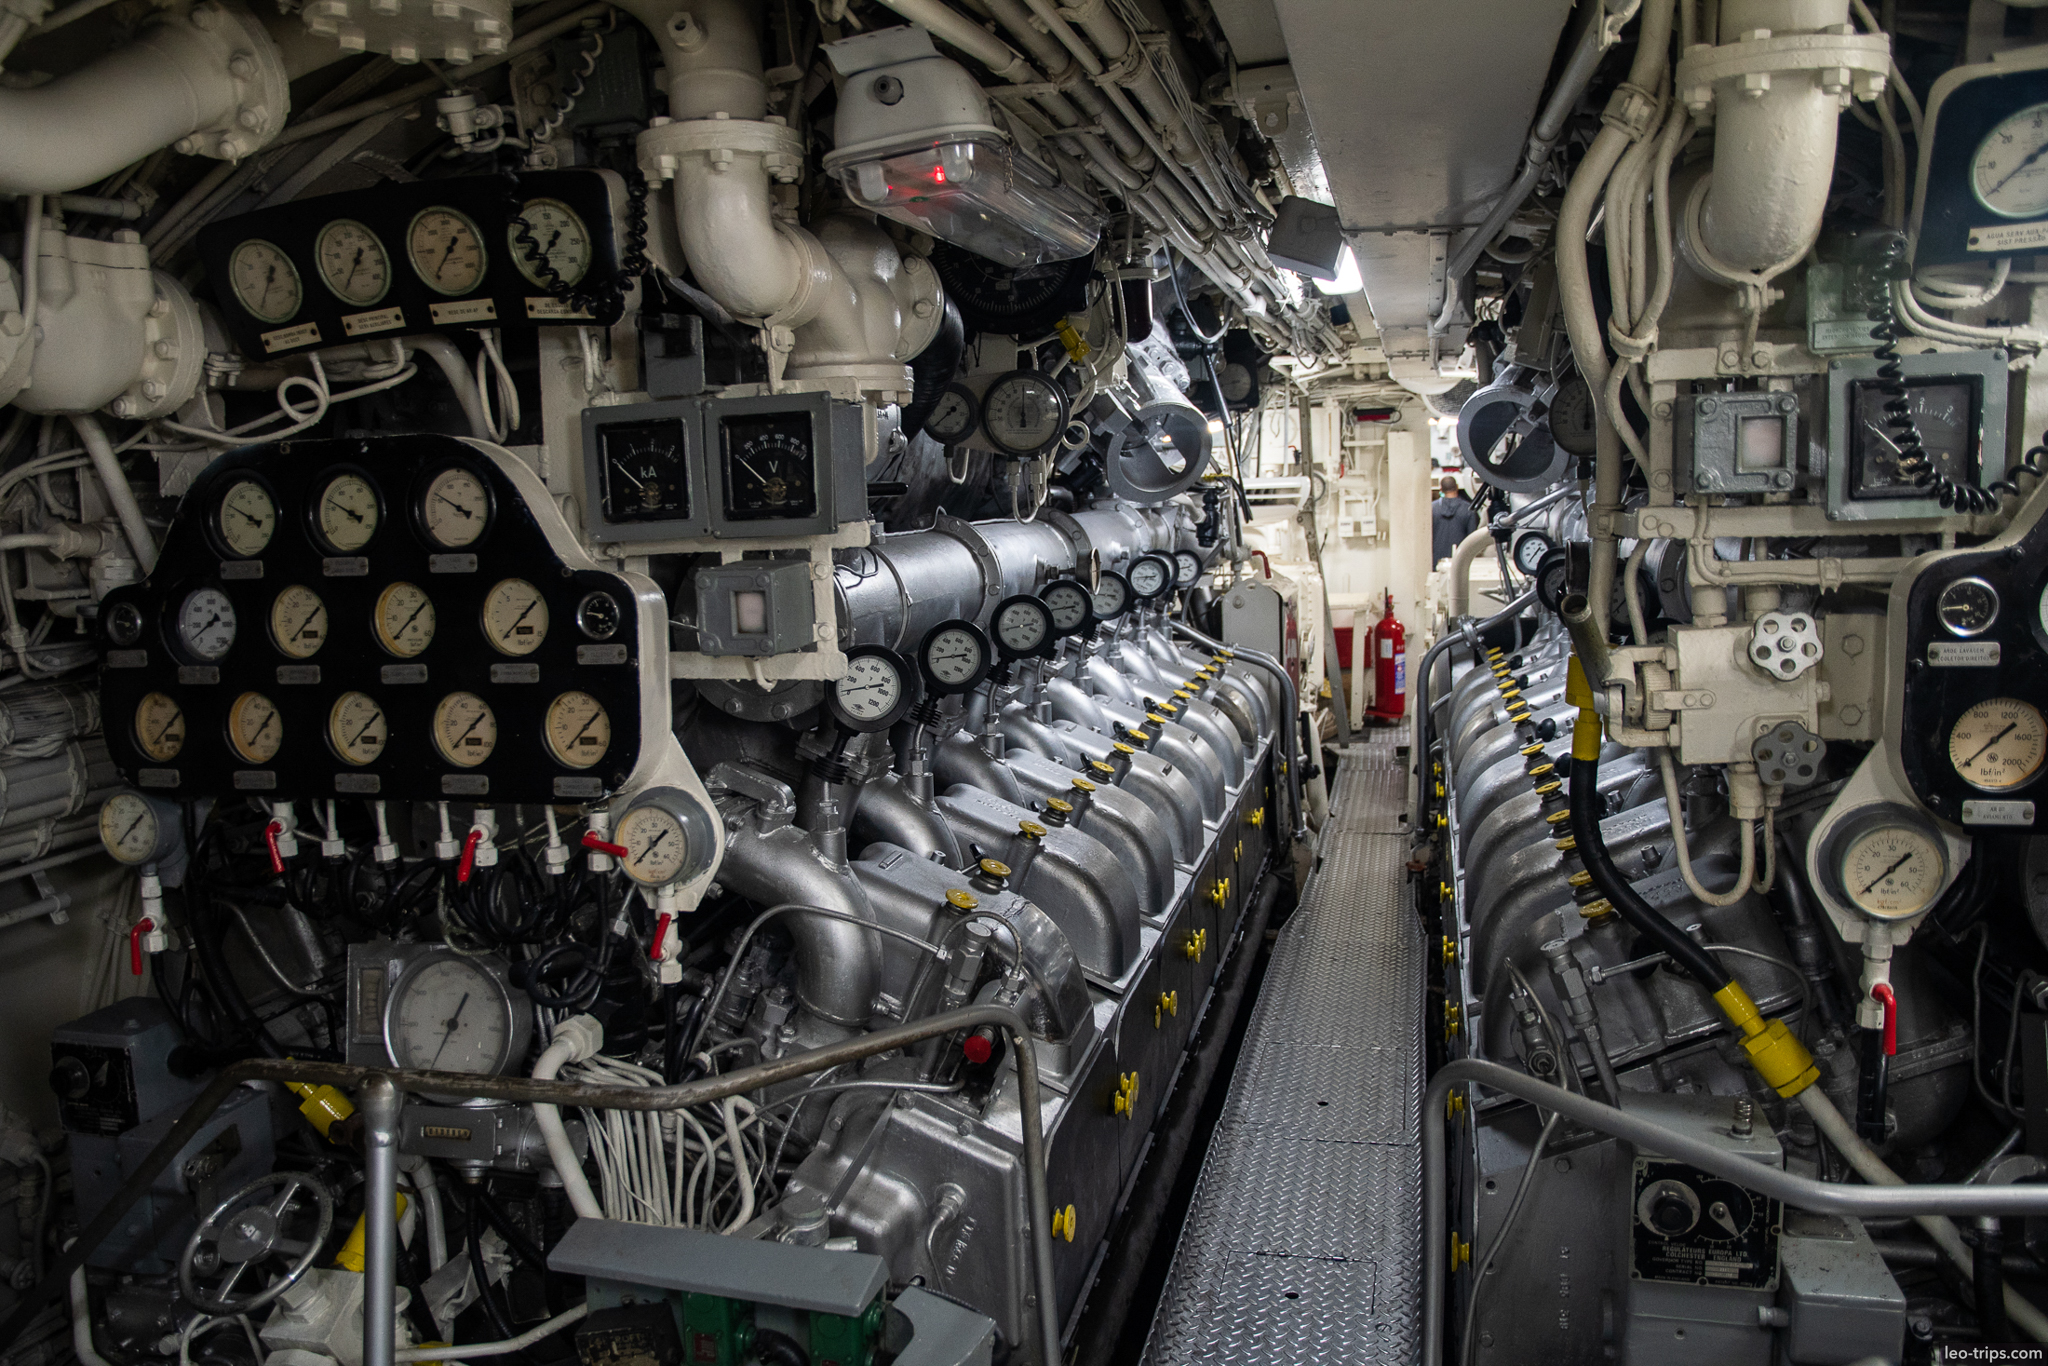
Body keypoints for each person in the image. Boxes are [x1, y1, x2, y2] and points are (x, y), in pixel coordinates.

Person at [1432, 475, 1477, 564]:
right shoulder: (1468, 509)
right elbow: (1472, 540)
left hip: (1436, 560)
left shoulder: (1432, 509)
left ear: (1441, 489)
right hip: (1460, 560)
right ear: (1457, 487)